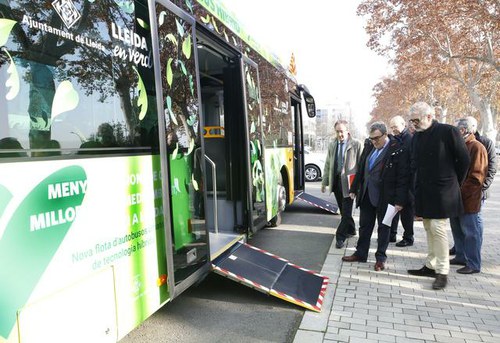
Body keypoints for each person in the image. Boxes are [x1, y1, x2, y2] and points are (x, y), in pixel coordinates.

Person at [407, 102, 470, 290]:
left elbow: (464, 159)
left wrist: (454, 182)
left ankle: (442, 272)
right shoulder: (417, 137)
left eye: (416, 120)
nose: (413, 124)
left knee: (437, 227)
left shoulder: (448, 131)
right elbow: (414, 163)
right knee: (428, 226)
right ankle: (430, 265)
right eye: (412, 120)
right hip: (424, 191)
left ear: (429, 116)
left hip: (444, 191)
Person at [342, 121, 409, 271]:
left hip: (386, 197)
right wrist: (354, 188)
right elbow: (361, 168)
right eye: (371, 138)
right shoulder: (369, 146)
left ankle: (380, 259)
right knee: (364, 227)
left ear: (385, 135)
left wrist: (399, 201)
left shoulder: (396, 149)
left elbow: (403, 177)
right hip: (366, 194)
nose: (374, 141)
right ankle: (361, 253)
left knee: (383, 228)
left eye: (377, 138)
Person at [449, 116, 497, 255]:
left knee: (472, 230)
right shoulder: (460, 145)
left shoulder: (478, 146)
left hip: (470, 196)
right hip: (457, 196)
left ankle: (472, 261)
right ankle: (461, 255)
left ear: (463, 129)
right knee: (457, 228)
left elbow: (480, 174)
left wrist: (478, 190)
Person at [321, 120, 363, 248]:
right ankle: (351, 230)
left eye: (342, 131)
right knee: (344, 212)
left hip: (349, 184)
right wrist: (325, 182)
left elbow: (361, 166)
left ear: (347, 131)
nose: (340, 134)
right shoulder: (333, 144)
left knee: (346, 211)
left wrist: (358, 186)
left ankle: (340, 237)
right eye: (338, 131)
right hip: (336, 182)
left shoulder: (356, 144)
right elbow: (328, 163)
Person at [388, 115, 415, 247]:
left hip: (408, 182)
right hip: (396, 180)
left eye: (396, 126)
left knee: (406, 211)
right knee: (393, 208)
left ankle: (408, 237)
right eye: (392, 127)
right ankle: (392, 234)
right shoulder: (394, 139)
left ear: (403, 124)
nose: (394, 129)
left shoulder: (409, 139)